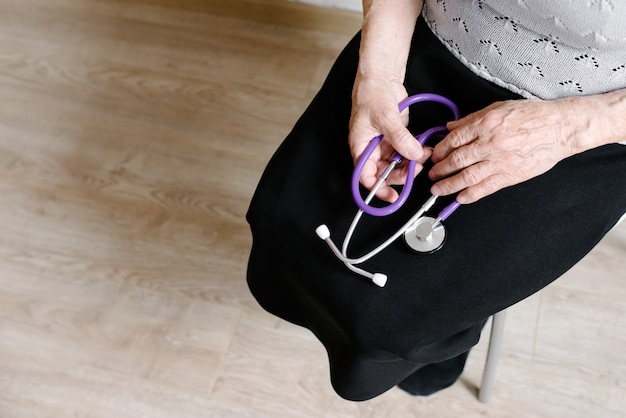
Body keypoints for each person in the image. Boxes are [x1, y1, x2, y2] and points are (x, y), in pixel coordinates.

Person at [246, 0, 626, 402]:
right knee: (283, 219)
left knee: (399, 321)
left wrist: (569, 128)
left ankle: (427, 360)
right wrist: (377, 76)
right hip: (423, 46)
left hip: (581, 128)